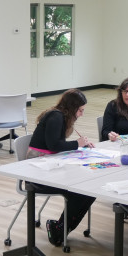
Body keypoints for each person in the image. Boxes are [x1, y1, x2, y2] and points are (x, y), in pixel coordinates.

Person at [29, 89, 96, 247]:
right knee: (81, 191)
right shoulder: (56, 117)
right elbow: (54, 145)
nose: (81, 114)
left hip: (49, 164)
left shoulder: (61, 116)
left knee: (90, 191)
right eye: (80, 110)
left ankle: (60, 228)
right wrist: (77, 144)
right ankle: (61, 229)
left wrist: (81, 146)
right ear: (72, 107)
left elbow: (56, 145)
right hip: (37, 169)